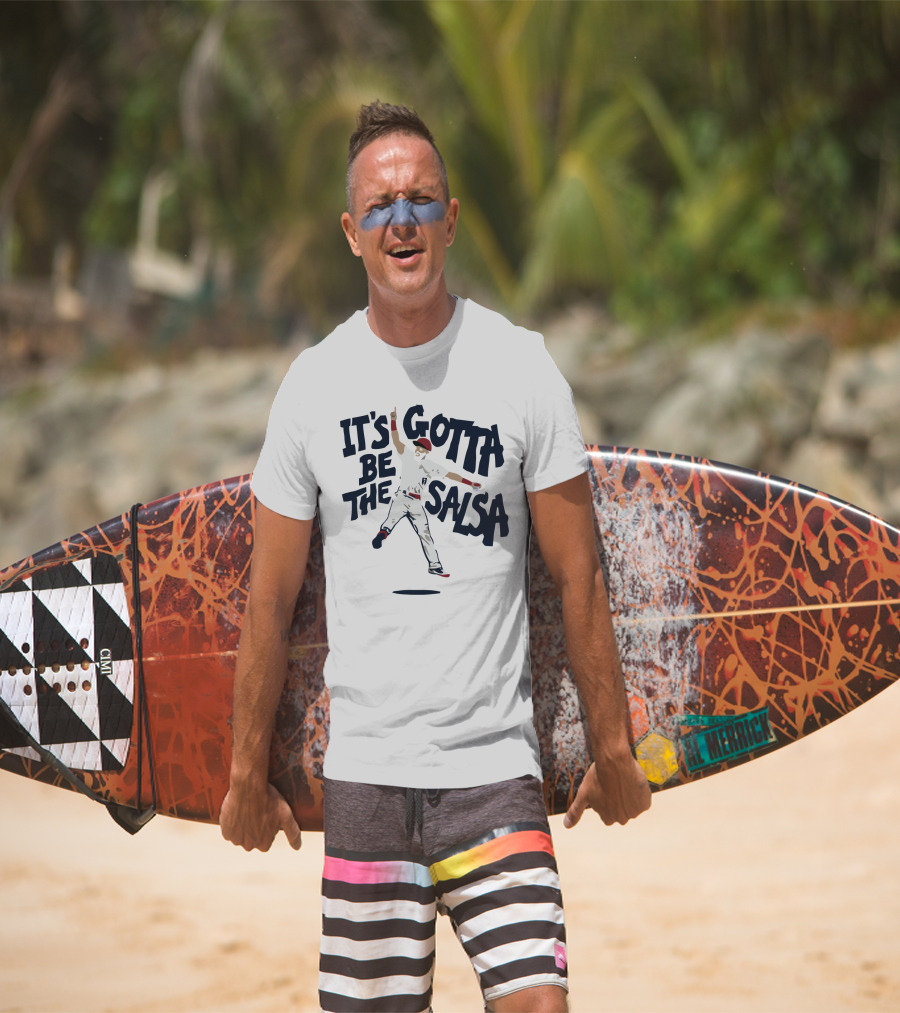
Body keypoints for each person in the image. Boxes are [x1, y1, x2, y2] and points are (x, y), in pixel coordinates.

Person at [220, 100, 651, 1013]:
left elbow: (579, 575)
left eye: (421, 200)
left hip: (495, 772)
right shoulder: (313, 387)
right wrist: (242, 772)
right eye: (380, 206)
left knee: (540, 1003)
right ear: (351, 232)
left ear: (451, 219)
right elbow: (269, 600)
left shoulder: (522, 368)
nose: (402, 220)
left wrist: (612, 746)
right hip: (368, 779)